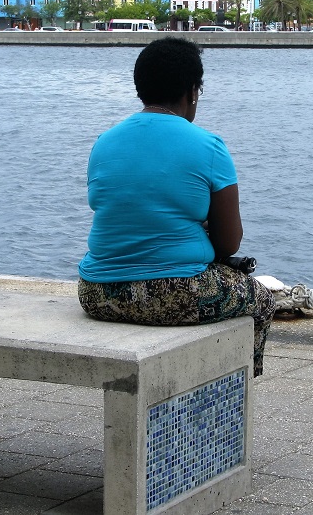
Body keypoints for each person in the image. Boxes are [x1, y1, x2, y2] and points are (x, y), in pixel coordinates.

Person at [77, 37, 275, 377]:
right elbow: (229, 243)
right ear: (192, 91)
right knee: (262, 299)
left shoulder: (104, 142)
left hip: (98, 293)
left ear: (141, 89)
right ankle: (236, 392)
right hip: (174, 293)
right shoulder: (209, 146)